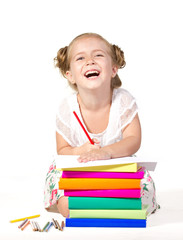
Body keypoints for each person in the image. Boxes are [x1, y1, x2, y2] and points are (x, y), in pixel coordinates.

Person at [44, 33, 159, 217]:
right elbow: (62, 150)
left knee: (144, 188)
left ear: (113, 69)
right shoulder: (67, 108)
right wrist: (80, 151)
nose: (90, 61)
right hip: (81, 174)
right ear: (70, 75)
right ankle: (97, 204)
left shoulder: (123, 101)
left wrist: (106, 152)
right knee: (57, 180)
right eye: (81, 57)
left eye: (98, 55)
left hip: (117, 172)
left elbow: (134, 140)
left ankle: (102, 204)